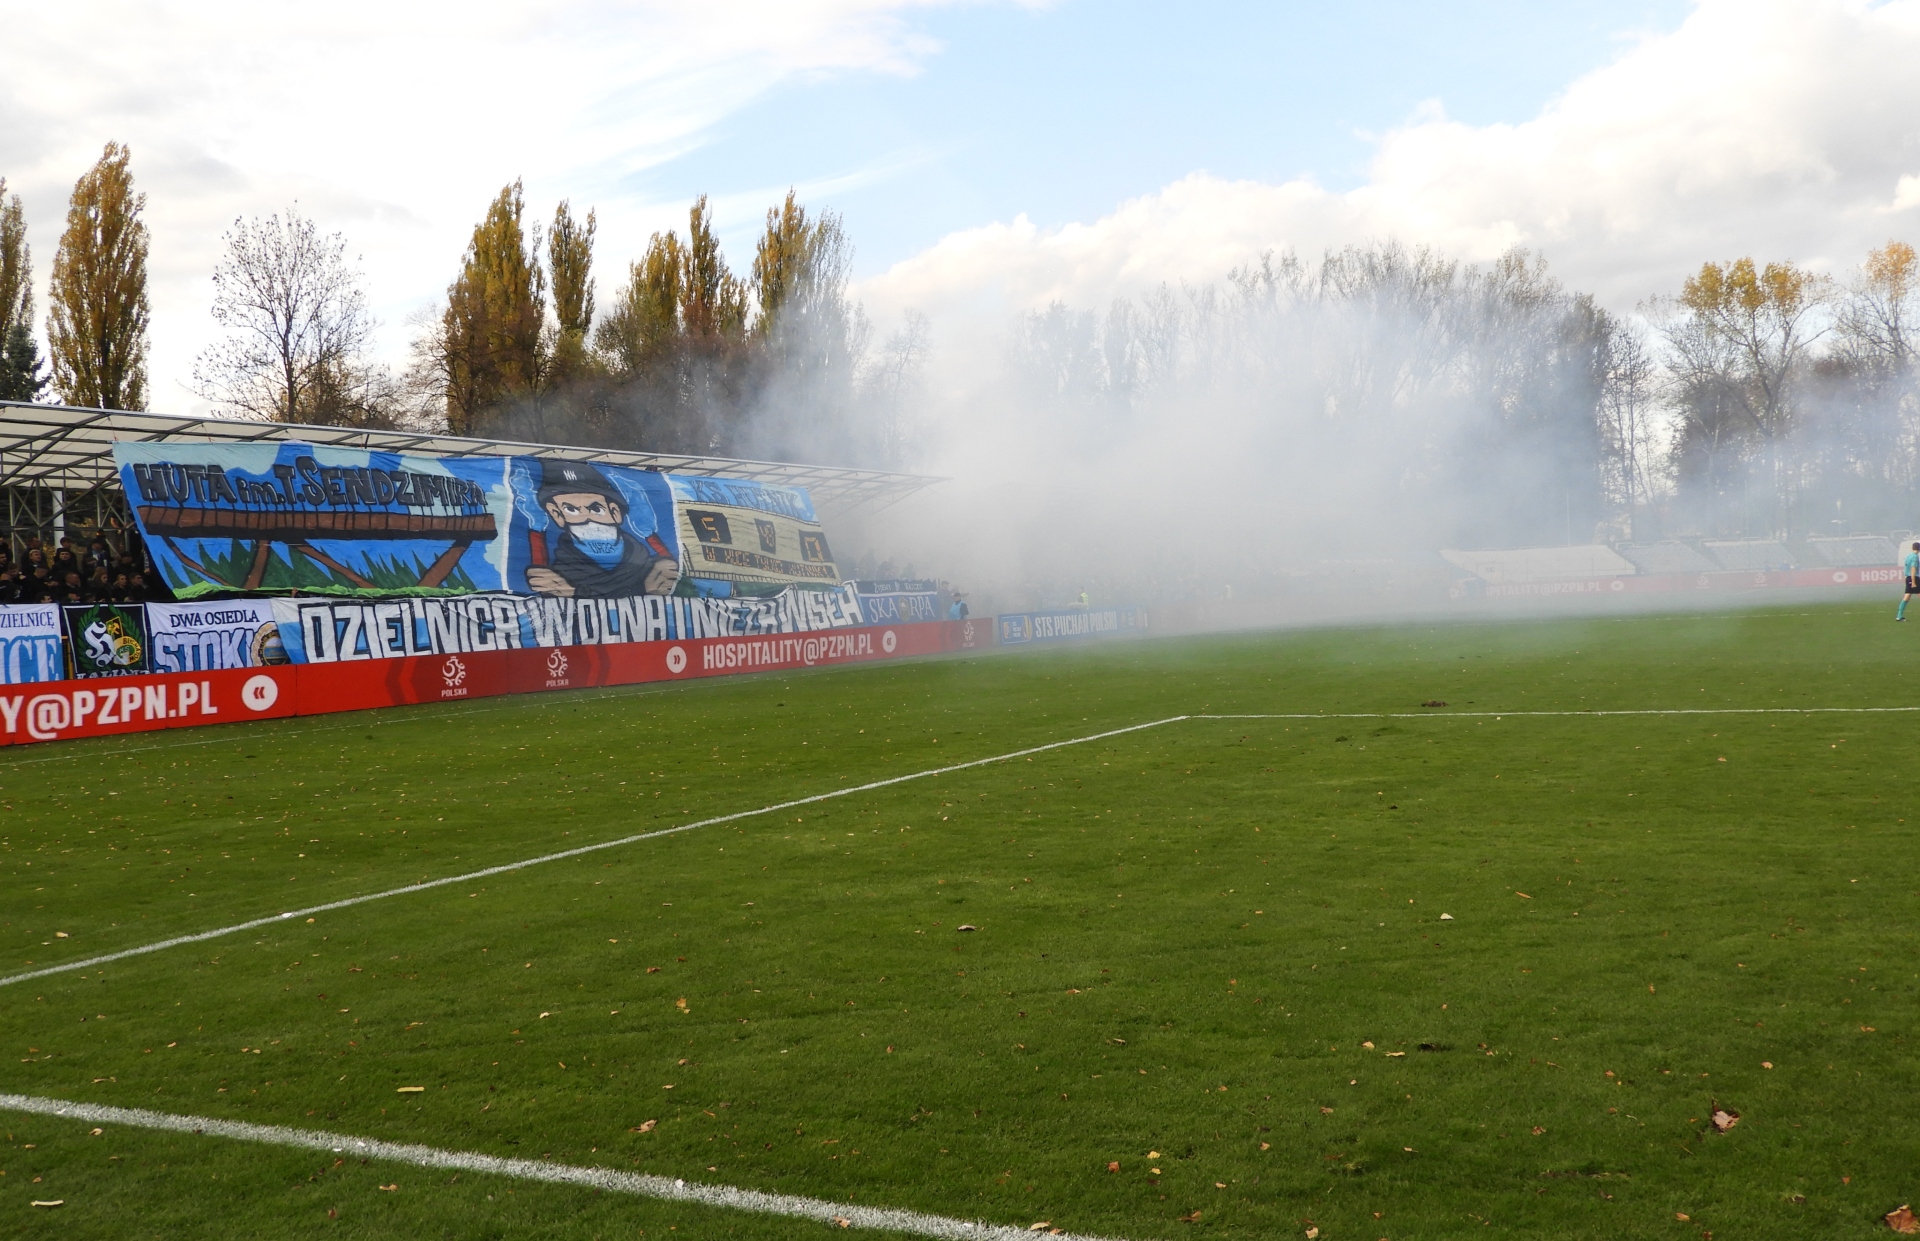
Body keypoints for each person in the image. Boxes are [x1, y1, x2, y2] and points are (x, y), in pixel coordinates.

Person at [524, 459, 680, 598]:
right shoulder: (560, 574)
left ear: (614, 512)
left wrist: (670, 573)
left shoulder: (651, 569)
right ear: (557, 515)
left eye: (596, 509)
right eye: (571, 510)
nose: (587, 519)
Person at [1901, 542, 1920, 620]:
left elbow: (1906, 568)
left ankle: (1899, 616)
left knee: (1907, 596)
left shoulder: (1908, 556)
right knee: (1908, 596)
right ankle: (1899, 616)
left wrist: (1906, 578)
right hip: (1914, 577)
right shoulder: (1915, 557)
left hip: (1908, 577)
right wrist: (1913, 581)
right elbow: (1913, 568)